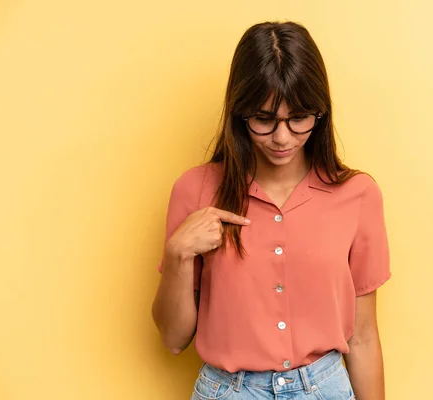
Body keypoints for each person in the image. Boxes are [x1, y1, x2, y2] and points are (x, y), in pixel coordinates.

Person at [152, 21, 390, 400]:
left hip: (324, 388)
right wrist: (178, 252)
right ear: (239, 114)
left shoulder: (357, 195)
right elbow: (173, 338)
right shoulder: (195, 190)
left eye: (299, 118)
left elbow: (362, 338)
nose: (282, 138)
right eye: (264, 120)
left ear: (321, 113)